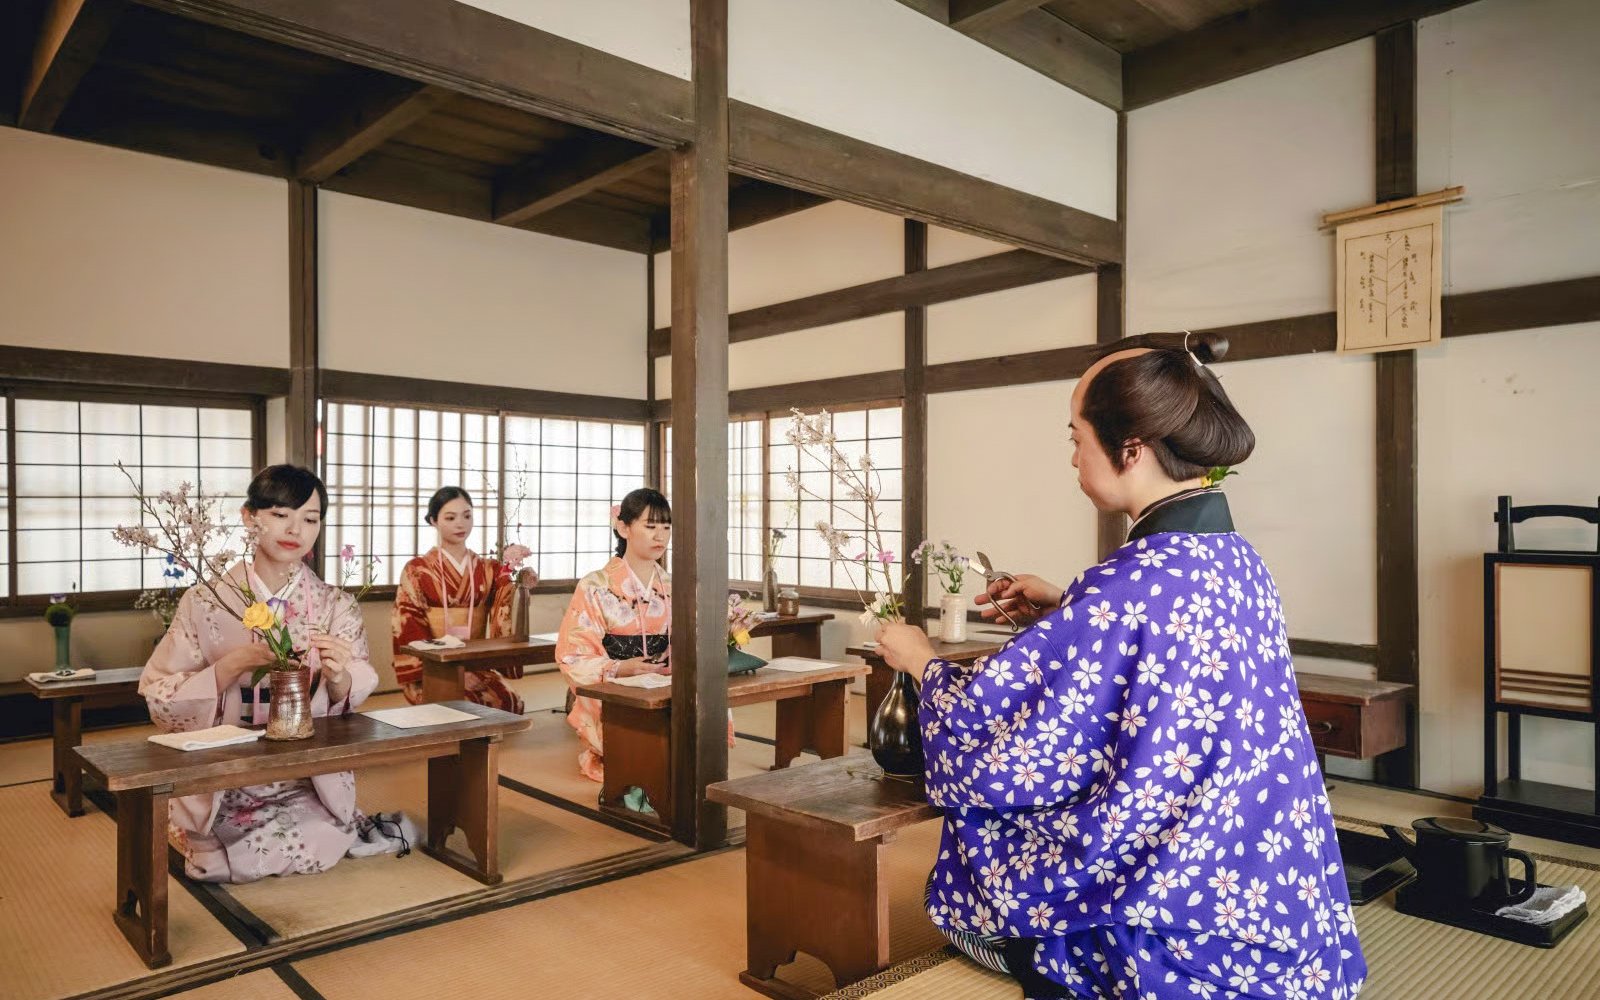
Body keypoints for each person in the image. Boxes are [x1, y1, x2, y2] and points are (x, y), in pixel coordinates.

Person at [875, 334, 1366, 999]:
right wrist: (1067, 602)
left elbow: (1001, 726)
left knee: (994, 871)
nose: (1074, 457)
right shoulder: (1234, 559)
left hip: (1174, 907)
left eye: (1076, 438)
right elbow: (1156, 646)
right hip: (1263, 875)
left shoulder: (1128, 588)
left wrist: (922, 660)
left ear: (1130, 447)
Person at [140, 465, 379, 884]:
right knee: (211, 861)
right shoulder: (205, 601)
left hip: (303, 774)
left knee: (320, 835)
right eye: (280, 514)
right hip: (223, 773)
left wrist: (339, 677)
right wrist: (231, 665)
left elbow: (353, 691)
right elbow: (160, 694)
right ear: (249, 517)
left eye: (310, 518)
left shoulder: (335, 604)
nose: (296, 529)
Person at [554, 488, 674, 783]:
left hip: (662, 678)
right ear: (623, 527)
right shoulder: (595, 585)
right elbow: (573, 653)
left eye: (666, 527)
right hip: (614, 681)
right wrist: (620, 668)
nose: (660, 536)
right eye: (650, 526)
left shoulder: (673, 584)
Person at [391, 486, 534, 714]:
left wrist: (517, 574)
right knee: (457, 708)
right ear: (433, 520)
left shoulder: (488, 568)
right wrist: (450, 670)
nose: (461, 524)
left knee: (509, 704)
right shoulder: (417, 570)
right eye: (450, 517)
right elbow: (408, 624)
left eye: (467, 516)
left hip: (474, 662)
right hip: (432, 667)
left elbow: (507, 598)